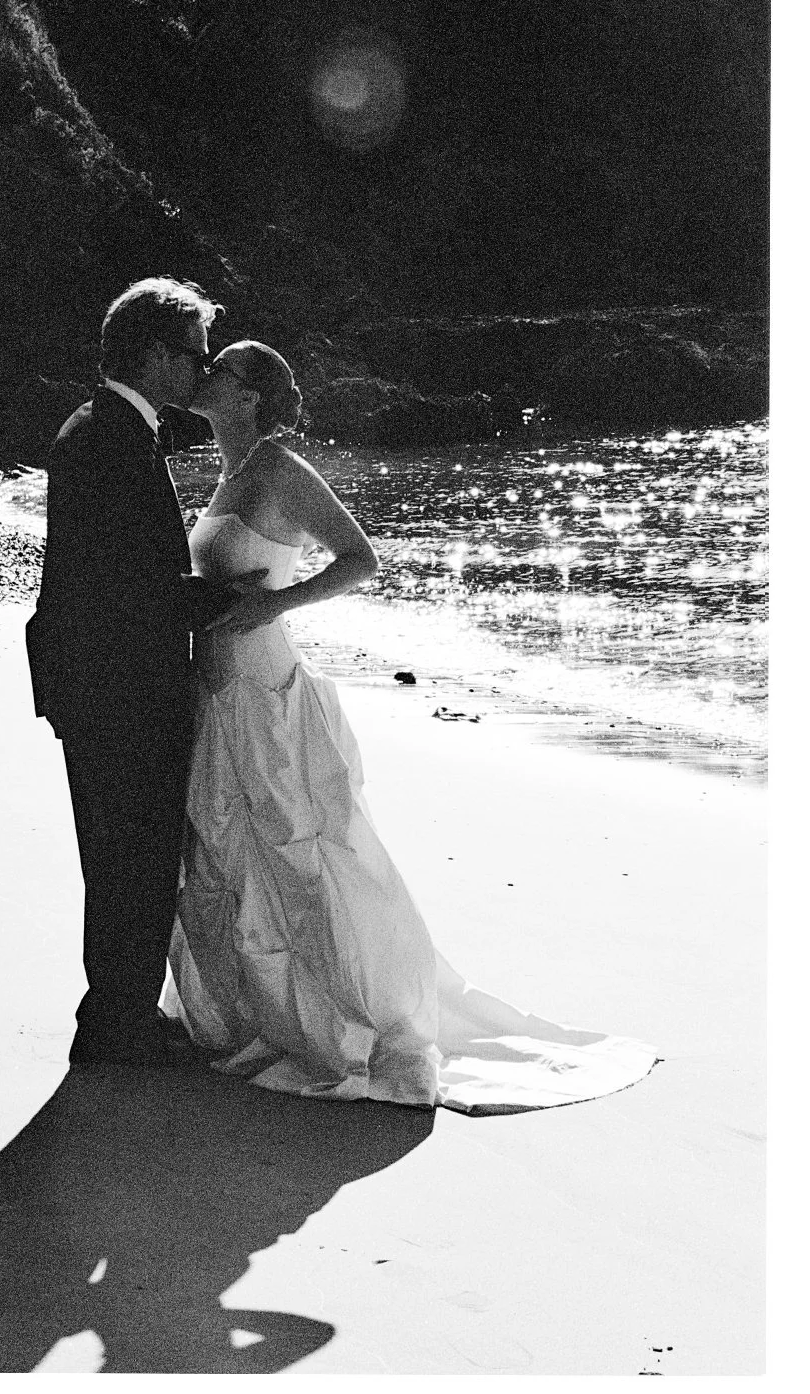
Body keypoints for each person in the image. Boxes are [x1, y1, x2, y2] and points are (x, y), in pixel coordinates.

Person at [163, 340, 659, 1113]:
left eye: (219, 369)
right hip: (215, 687)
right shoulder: (228, 474)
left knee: (299, 850)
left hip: (262, 682)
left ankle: (347, 1018)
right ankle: (261, 1011)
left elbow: (362, 558)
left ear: (251, 395)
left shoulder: (280, 469)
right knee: (232, 852)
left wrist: (273, 604)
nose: (203, 375)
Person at [26, 277, 262, 1068]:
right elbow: (124, 586)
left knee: (121, 855)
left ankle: (114, 1016)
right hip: (117, 684)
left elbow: (110, 574)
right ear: (157, 355)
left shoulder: (103, 427)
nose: (200, 373)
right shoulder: (108, 438)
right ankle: (118, 1026)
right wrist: (224, 595)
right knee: (135, 854)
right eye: (193, 357)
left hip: (97, 678)